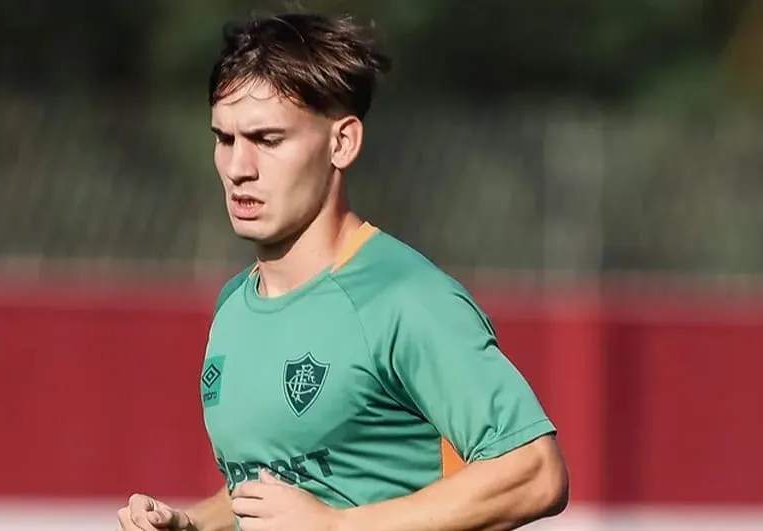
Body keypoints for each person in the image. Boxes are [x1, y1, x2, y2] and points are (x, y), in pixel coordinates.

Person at [117, 10, 568, 531]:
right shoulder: (234, 305)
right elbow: (284, 483)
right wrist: (193, 525)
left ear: (342, 143)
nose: (239, 167)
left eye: (268, 140)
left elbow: (535, 471)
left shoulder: (405, 297)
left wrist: (338, 528)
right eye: (225, 139)